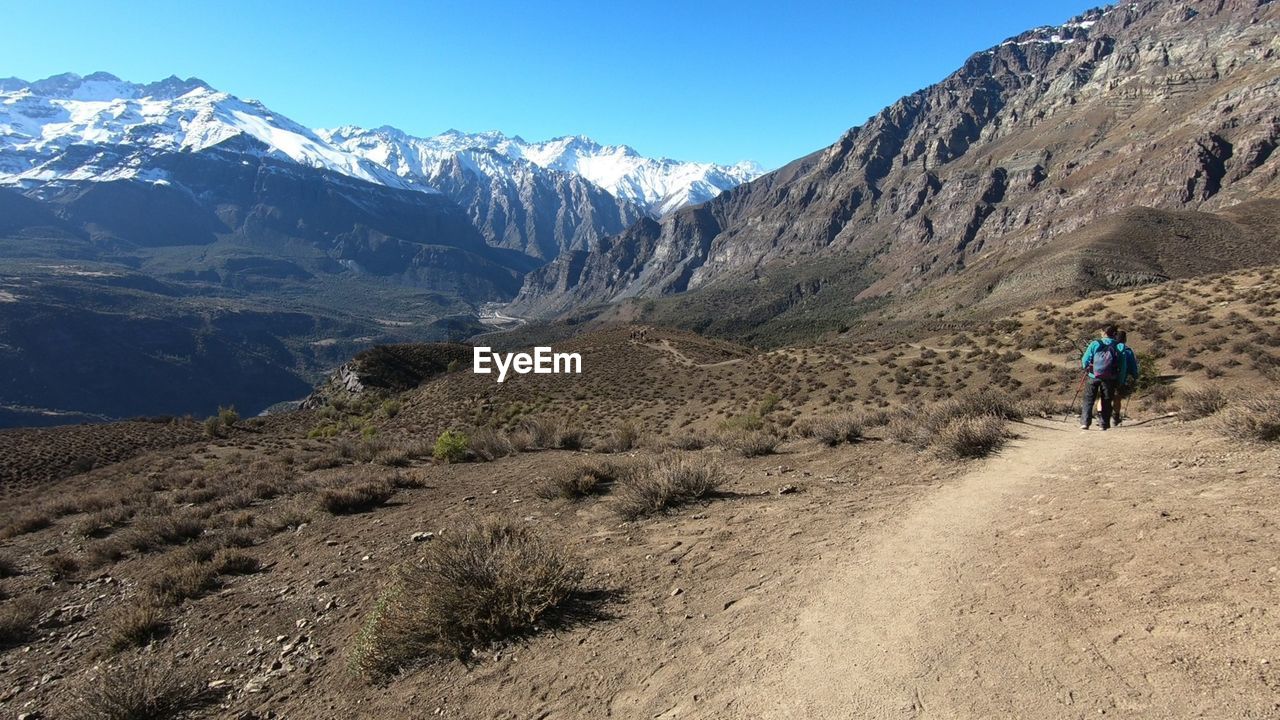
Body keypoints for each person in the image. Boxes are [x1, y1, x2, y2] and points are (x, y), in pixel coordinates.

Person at [1080, 324, 1128, 431]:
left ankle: (1085, 422)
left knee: (1088, 399)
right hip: (1110, 378)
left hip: (1093, 375)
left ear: (1104, 332)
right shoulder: (1119, 347)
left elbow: (1085, 360)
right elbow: (1122, 366)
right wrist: (1120, 380)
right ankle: (1104, 424)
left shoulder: (1095, 344)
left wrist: (1087, 368)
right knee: (1106, 400)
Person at [1112, 330, 1140, 426]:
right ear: (1125, 339)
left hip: (1105, 375)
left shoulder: (1109, 347)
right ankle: (1115, 418)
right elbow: (1132, 365)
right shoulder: (1127, 350)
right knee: (1117, 397)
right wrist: (1135, 375)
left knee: (1104, 396)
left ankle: (1102, 416)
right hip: (1120, 377)